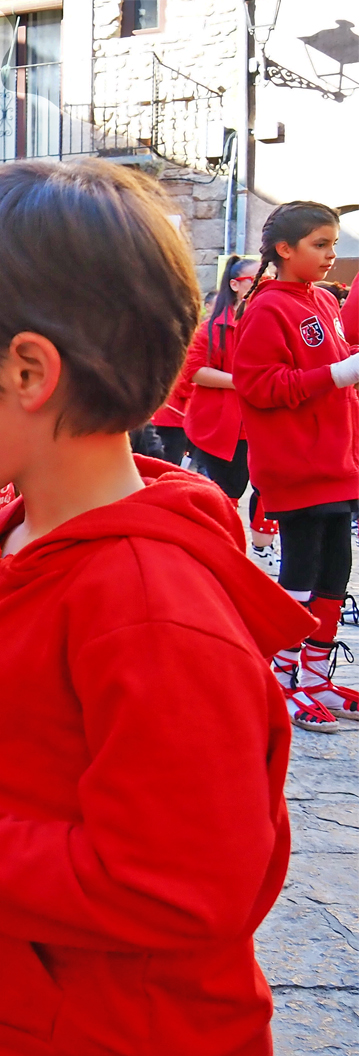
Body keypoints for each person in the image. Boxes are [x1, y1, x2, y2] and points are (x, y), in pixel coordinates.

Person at [0, 158, 309, 1056]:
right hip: (51, 1039)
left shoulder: (147, 603)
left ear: (28, 370)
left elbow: (176, 884)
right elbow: (49, 785)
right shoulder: (20, 534)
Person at [234, 200, 359, 732]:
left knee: (337, 569)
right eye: (320, 244)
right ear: (285, 249)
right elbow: (258, 386)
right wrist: (338, 373)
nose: (332, 255)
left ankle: (313, 675)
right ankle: (282, 681)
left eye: (333, 244)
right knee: (302, 574)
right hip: (298, 465)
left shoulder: (325, 303)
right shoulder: (267, 307)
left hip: (337, 461)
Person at [183, 256, 258, 503]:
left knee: (264, 495)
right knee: (225, 493)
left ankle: (261, 543)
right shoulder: (211, 328)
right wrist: (245, 381)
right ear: (235, 285)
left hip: (263, 425)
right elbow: (195, 369)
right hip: (223, 425)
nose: (262, 284)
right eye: (254, 279)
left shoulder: (269, 320)